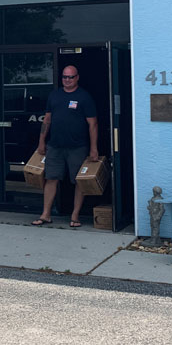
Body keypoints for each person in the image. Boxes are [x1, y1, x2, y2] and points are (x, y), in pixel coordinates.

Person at [33, 65, 99, 228]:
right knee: (51, 178)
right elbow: (47, 120)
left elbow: (93, 124)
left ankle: (75, 216)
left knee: (79, 181)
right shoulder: (54, 95)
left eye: (70, 77)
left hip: (77, 146)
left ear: (77, 77)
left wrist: (94, 148)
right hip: (55, 146)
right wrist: (41, 141)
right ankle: (46, 214)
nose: (67, 80)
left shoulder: (84, 97)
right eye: (64, 77)